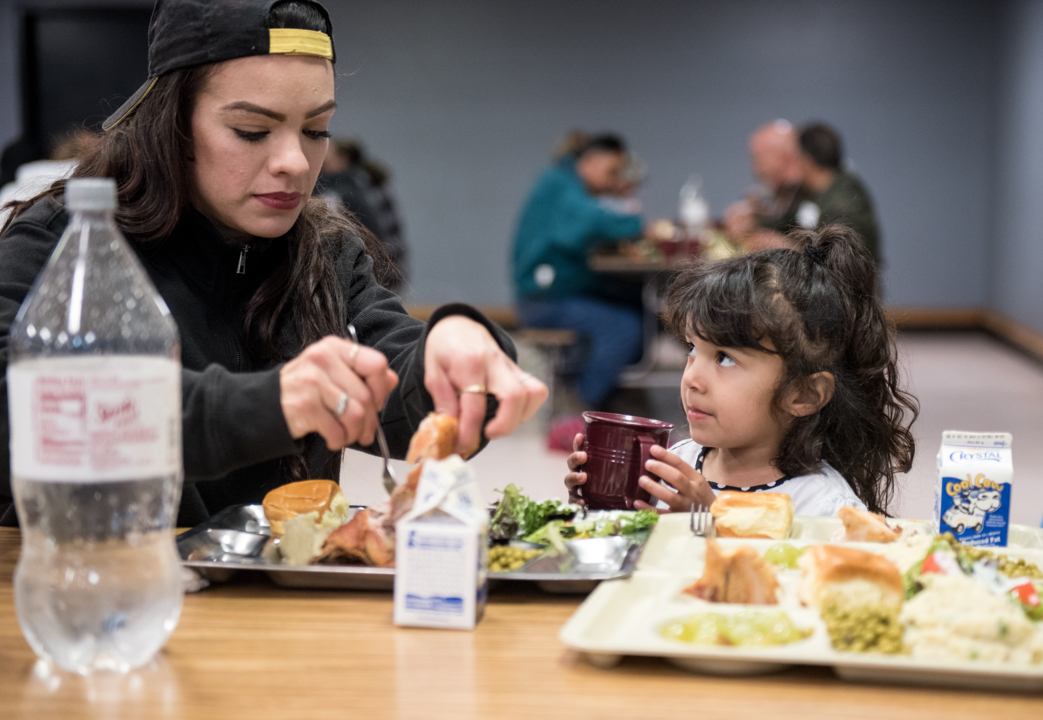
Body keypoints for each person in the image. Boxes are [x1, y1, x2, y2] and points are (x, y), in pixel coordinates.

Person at [0, 0, 546, 527]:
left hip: (271, 607)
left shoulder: (323, 257)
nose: (295, 163)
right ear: (173, 127)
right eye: (252, 131)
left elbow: (397, 381)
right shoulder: (67, 244)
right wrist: (268, 405)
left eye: (316, 130)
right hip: (98, 593)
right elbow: (17, 418)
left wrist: (454, 355)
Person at [565, 224, 919, 516]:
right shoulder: (673, 466)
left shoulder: (823, 506)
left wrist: (708, 523)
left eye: (725, 358)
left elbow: (794, 591)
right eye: (692, 349)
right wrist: (598, 507)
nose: (692, 379)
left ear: (803, 394)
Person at [512, 133, 645, 411]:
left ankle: (617, 392)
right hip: (543, 301)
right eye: (612, 172)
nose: (613, 180)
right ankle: (581, 409)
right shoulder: (560, 184)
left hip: (559, 291)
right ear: (590, 161)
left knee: (636, 302)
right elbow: (592, 221)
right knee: (623, 326)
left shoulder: (565, 184)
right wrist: (635, 223)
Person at [316, 138, 407, 289]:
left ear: (342, 159)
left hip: (379, 272)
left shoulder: (347, 191)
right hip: (388, 269)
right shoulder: (367, 184)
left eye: (326, 155)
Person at [796, 123, 881, 264]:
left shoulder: (844, 201)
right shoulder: (819, 192)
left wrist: (788, 249)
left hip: (844, 283)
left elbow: (836, 259)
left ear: (807, 161)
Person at [723, 120, 805, 251]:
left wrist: (788, 248)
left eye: (757, 158)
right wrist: (753, 218)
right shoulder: (779, 192)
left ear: (783, 157)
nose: (755, 168)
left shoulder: (813, 190)